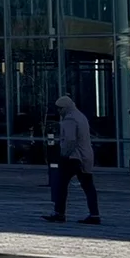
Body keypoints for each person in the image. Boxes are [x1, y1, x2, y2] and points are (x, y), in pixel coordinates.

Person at [46, 94, 100, 224]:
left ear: (65, 108)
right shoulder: (81, 116)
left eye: (60, 108)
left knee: (61, 185)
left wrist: (64, 154)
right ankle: (95, 214)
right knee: (88, 186)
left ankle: (59, 213)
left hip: (73, 157)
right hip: (86, 156)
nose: (58, 111)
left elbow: (70, 140)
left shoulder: (70, 119)